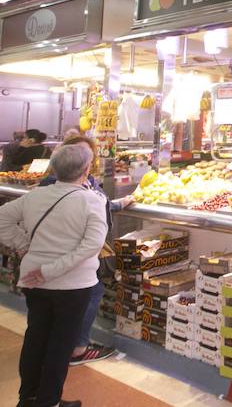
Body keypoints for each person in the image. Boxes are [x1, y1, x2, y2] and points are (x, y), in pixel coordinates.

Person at [0, 144, 108, 407]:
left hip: (35, 283)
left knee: (36, 336)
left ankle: (28, 398)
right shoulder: (91, 200)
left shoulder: (35, 196)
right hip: (73, 286)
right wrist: (50, 270)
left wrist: (23, 244)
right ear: (86, 170)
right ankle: (48, 401)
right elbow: (91, 245)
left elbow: (1, 218)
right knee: (60, 345)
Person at [39, 135, 134, 366]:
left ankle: (61, 346)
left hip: (78, 254)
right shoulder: (54, 184)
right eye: (79, 152)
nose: (84, 159)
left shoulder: (87, 180)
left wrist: (121, 203)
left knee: (85, 293)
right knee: (87, 293)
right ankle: (77, 348)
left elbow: (100, 203)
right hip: (69, 252)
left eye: (88, 155)